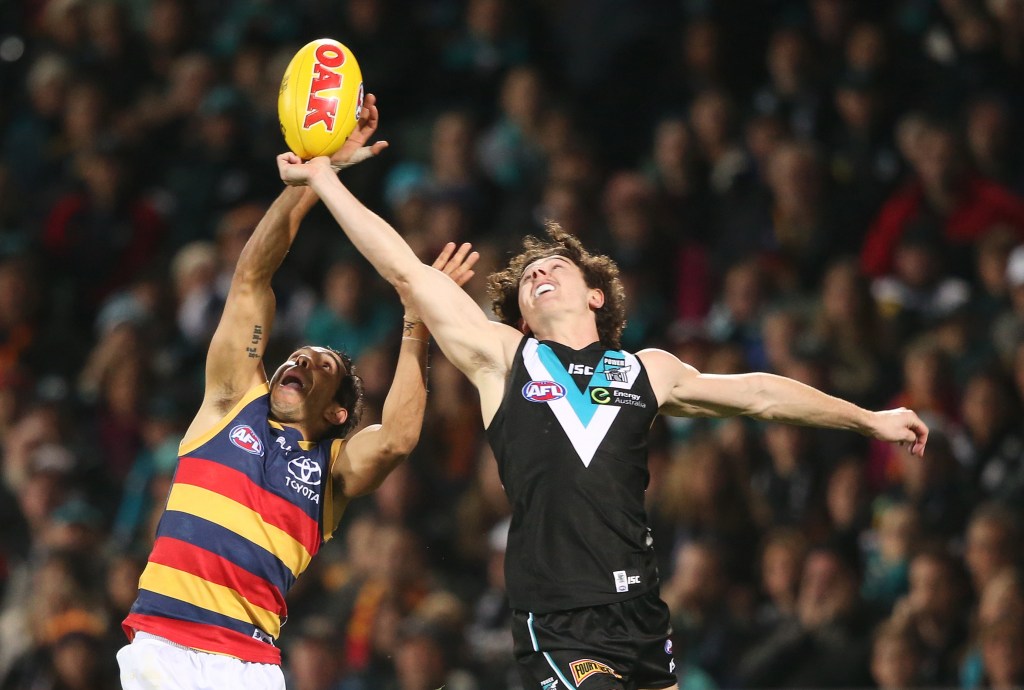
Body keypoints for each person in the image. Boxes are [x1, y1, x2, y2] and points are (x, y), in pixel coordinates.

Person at [277, 137, 929, 690]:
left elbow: (760, 394)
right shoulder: (504, 359)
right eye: (527, 279)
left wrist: (868, 419)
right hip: (559, 619)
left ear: (595, 294)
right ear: (522, 316)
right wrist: (326, 178)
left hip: (641, 616)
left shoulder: (647, 369)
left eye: (552, 266)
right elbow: (405, 270)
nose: (536, 275)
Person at [115, 94, 478, 690]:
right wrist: (316, 175)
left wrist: (417, 319)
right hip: (162, 645)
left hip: (248, 665)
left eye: (325, 363)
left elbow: (397, 439)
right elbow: (253, 276)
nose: (303, 355)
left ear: (337, 410)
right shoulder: (231, 399)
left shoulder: (331, 471)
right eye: (301, 352)